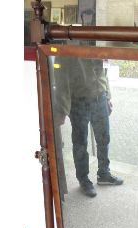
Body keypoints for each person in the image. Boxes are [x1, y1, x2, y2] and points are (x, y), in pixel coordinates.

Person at [52, 53, 123, 197]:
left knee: (104, 138)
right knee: (80, 144)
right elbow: (61, 76)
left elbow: (104, 69)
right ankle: (83, 179)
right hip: (79, 101)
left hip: (100, 98)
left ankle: (103, 173)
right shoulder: (71, 43)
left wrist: (108, 95)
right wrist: (62, 109)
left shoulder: (98, 43)